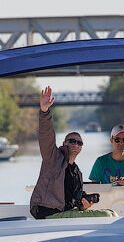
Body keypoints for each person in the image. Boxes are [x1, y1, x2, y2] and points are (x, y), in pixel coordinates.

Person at [30, 86, 95, 219]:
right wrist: (44, 111)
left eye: (79, 143)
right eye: (72, 141)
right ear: (64, 143)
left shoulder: (77, 173)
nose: (75, 144)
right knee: (107, 215)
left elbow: (75, 202)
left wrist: (84, 205)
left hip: (64, 213)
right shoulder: (52, 157)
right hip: (45, 211)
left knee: (108, 214)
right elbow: (46, 135)